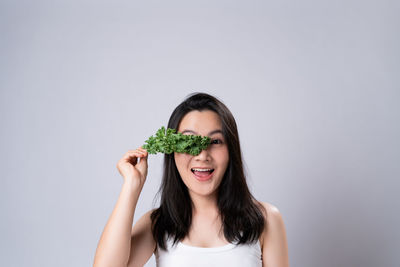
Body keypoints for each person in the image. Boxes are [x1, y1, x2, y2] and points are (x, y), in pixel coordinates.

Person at [93, 93, 289, 267]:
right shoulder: (158, 224)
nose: (202, 155)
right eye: (188, 142)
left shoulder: (266, 219)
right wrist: (132, 185)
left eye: (215, 141)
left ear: (231, 151)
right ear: (172, 152)